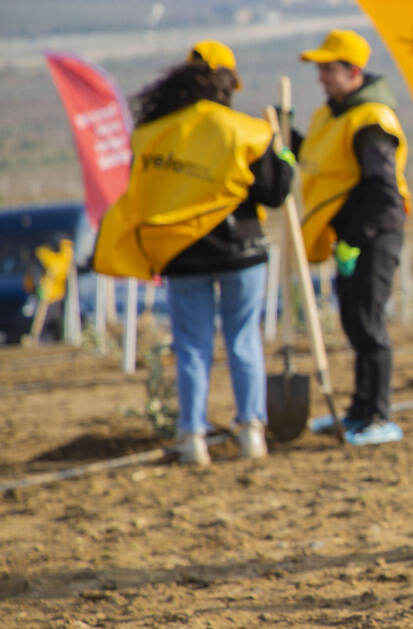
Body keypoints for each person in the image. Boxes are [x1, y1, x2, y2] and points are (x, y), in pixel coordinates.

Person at [94, 40, 294, 465]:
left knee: (191, 347)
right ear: (228, 84)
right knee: (243, 340)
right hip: (242, 252)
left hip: (181, 256)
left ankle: (192, 439)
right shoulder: (246, 130)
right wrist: (284, 153)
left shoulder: (152, 135)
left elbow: (142, 195)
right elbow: (274, 192)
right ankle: (251, 433)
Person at [294, 29, 412, 446]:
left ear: (354, 71)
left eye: (329, 68)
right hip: (350, 236)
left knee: (369, 324)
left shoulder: (371, 121)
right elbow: (327, 163)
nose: (321, 77)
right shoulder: (335, 115)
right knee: (354, 322)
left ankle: (378, 417)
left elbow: (383, 193)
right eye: (320, 68)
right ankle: (359, 411)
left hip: (374, 236)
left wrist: (356, 239)